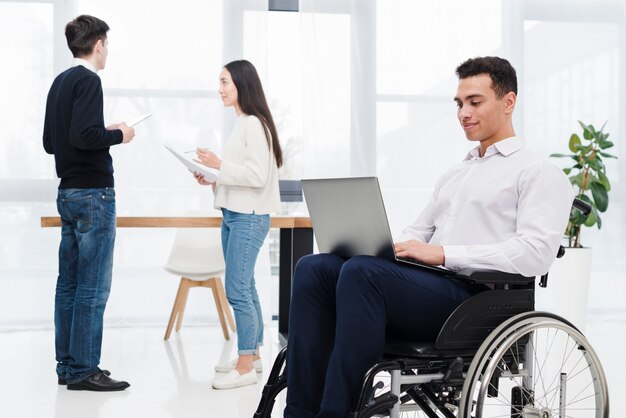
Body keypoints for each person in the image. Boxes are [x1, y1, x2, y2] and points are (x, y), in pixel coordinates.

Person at [283, 56, 574, 417]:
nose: (463, 112)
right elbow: (416, 234)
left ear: (508, 102)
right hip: (432, 289)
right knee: (316, 267)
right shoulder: (456, 173)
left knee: (362, 274)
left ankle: (336, 413)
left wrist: (442, 254)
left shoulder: (537, 171)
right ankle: (298, 411)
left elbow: (534, 255)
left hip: (477, 299)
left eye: (475, 101)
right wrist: (386, 247)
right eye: (459, 103)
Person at [43, 15, 135, 391]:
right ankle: (84, 370)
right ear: (98, 44)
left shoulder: (60, 82)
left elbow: (53, 142)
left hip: (67, 193)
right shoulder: (89, 80)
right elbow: (86, 135)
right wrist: (118, 134)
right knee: (93, 288)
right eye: (107, 44)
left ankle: (68, 366)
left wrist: (98, 132)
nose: (107, 50)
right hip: (94, 194)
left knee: (69, 285)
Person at [193, 59, 283, 390]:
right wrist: (214, 177)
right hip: (234, 213)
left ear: (241, 85)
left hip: (248, 216)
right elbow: (240, 174)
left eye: (224, 82)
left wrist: (220, 164)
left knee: (237, 289)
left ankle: (245, 365)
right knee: (246, 287)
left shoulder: (254, 125)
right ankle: (253, 357)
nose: (220, 88)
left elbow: (257, 177)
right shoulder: (243, 123)